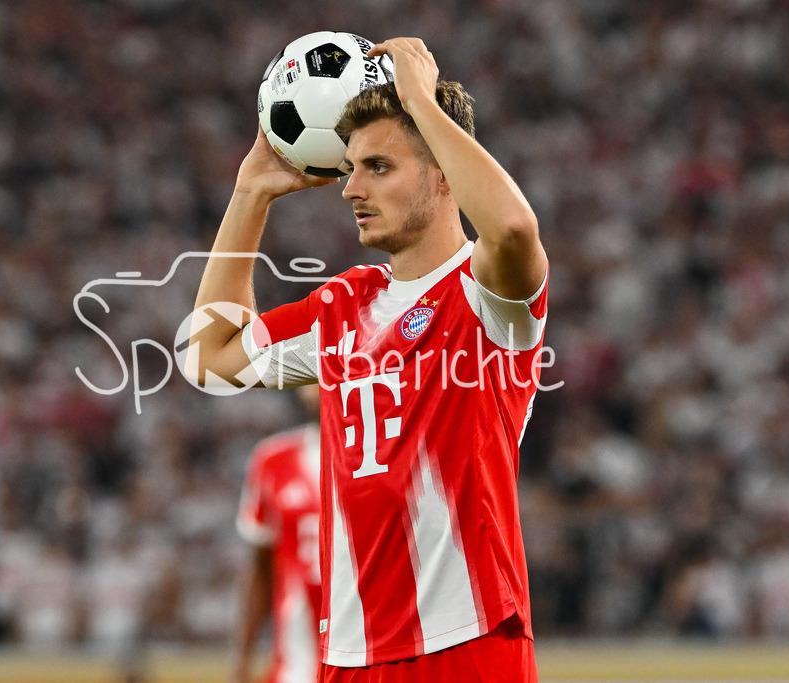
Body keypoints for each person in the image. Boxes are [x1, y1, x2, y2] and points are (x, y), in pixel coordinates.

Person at [191, 37, 547, 681]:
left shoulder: (485, 292)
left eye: (378, 166)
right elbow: (208, 356)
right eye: (350, 167)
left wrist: (419, 98)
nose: (350, 186)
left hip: (467, 643)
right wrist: (250, 195)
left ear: (442, 172)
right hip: (349, 657)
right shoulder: (343, 304)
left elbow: (515, 230)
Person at [234, 384, 321, 683]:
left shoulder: (388, 452)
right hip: (296, 668)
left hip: (373, 661)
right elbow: (260, 568)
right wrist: (242, 660)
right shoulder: (272, 459)